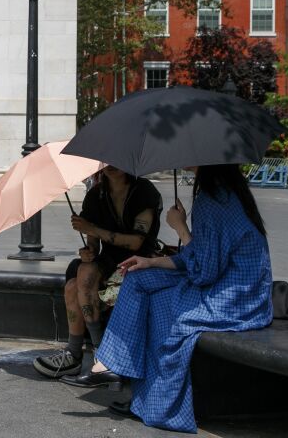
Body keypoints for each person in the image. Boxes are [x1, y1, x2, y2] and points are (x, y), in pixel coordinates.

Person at [69, 164, 273, 434]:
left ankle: (156, 404)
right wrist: (150, 262)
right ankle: (112, 364)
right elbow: (199, 261)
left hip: (234, 298)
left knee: (163, 309)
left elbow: (203, 271)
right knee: (138, 277)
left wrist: (180, 228)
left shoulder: (212, 201)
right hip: (231, 286)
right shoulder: (225, 193)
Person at [33, 165, 162, 379]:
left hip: (140, 261)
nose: (110, 165)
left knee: (82, 280)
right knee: (77, 279)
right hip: (109, 261)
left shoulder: (144, 191)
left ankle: (97, 355)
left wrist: (92, 229)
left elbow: (136, 242)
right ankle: (85, 352)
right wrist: (88, 252)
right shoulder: (96, 194)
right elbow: (93, 246)